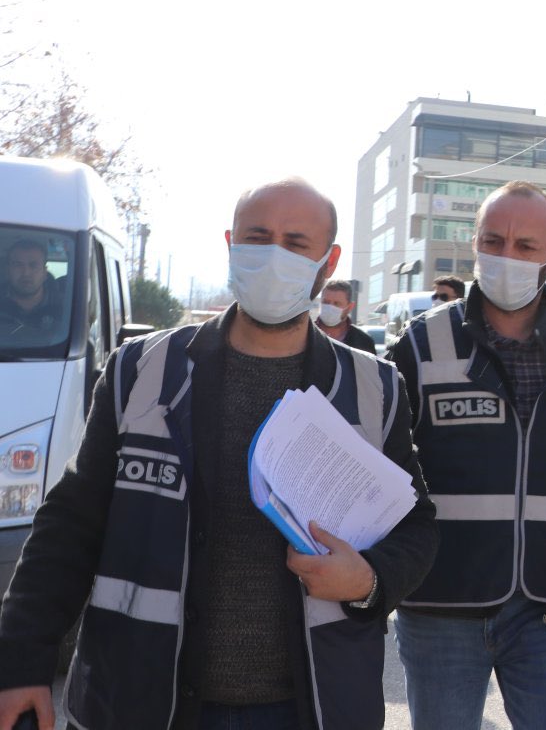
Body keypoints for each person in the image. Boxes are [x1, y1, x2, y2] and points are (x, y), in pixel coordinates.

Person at [0, 178, 438, 730]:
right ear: (232, 243)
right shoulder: (140, 371)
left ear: (328, 262)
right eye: (259, 237)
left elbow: (417, 527)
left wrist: (369, 580)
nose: (274, 255)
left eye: (296, 243)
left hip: (311, 706)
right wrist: (21, 660)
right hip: (142, 700)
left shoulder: (375, 387)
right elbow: (71, 523)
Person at [385, 180, 546, 730]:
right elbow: (379, 464)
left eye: (526, 246)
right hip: (440, 603)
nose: (506, 255)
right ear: (475, 243)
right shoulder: (419, 344)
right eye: (494, 240)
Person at [0, 239, 61, 330]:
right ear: (8, 271)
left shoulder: (66, 308)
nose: (26, 273)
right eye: (18, 265)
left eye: (33, 265)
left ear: (45, 272)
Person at [314, 279, 377, 354]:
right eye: (326, 302)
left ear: (350, 307)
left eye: (336, 304)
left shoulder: (363, 341)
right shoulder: (304, 334)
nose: (330, 307)